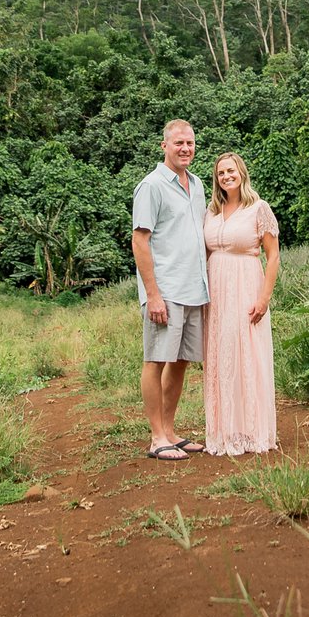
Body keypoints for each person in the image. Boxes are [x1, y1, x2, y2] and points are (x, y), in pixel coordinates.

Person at [131, 119, 209, 462]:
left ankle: (170, 431)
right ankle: (156, 437)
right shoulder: (151, 186)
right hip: (166, 290)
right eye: (178, 143)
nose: (185, 149)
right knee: (156, 359)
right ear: (164, 146)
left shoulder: (198, 184)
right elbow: (140, 241)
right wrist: (153, 295)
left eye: (190, 143)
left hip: (194, 289)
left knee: (179, 362)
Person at [200, 151, 280, 456]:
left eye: (231, 171)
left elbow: (273, 255)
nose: (226, 176)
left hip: (247, 286)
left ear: (242, 173)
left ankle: (253, 430)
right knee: (221, 356)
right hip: (217, 293)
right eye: (221, 173)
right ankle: (224, 430)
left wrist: (264, 298)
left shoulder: (258, 208)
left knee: (248, 354)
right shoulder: (211, 212)